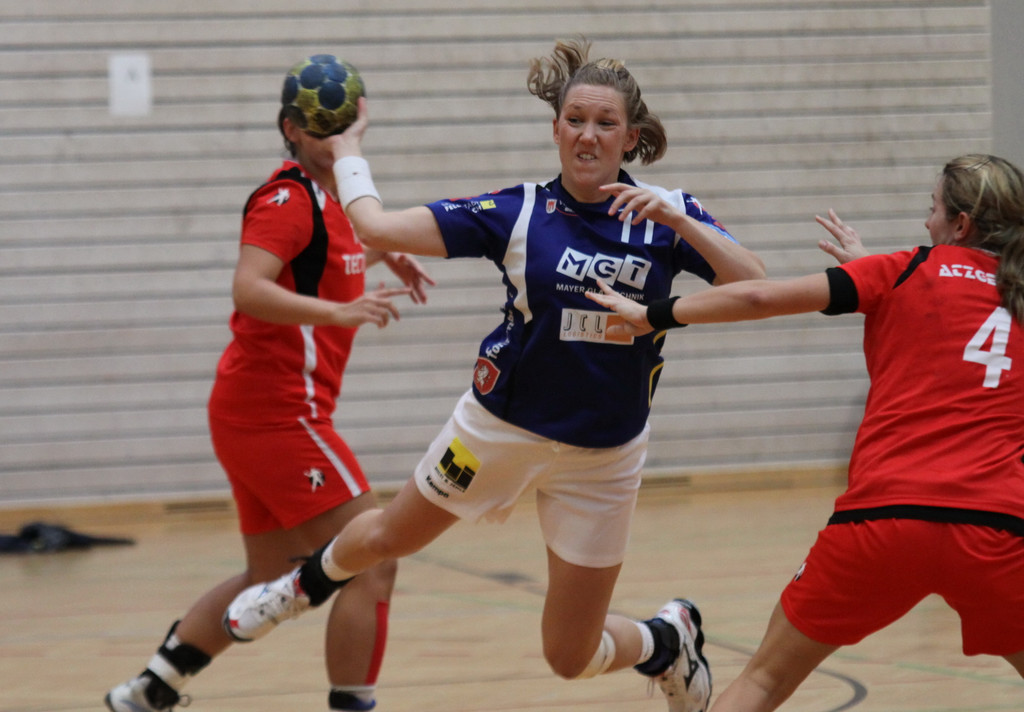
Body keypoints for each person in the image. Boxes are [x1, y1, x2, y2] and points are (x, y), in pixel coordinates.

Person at [221, 37, 765, 712]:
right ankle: (298, 589)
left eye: (605, 123)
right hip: (496, 432)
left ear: (631, 138)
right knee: (387, 536)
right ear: (556, 129)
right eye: (575, 120)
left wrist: (682, 221)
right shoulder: (519, 211)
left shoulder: (666, 215)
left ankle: (665, 639)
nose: (588, 135)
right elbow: (378, 229)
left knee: (569, 656)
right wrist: (349, 150)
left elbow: (755, 286)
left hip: (605, 454)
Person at [586, 153, 1024, 711]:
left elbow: (757, 295)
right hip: (999, 527)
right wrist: (872, 270)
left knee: (765, 680)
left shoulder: (904, 269)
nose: (925, 221)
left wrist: (653, 314)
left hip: (883, 518)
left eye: (933, 209)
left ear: (960, 225)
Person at [105, 55, 435, 712]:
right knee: (373, 557)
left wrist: (382, 253)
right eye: (319, 128)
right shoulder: (287, 199)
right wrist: (339, 312)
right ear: (291, 129)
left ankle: (148, 689)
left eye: (342, 126)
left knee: (269, 574)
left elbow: (324, 259)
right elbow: (249, 288)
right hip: (278, 413)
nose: (332, 139)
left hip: (252, 412)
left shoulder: (330, 202)